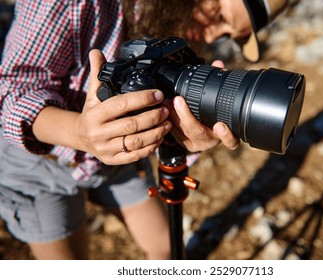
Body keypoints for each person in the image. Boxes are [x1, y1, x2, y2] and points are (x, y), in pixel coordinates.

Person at [0, 0, 287, 260]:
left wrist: (181, 137)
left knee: (164, 246)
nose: (212, 36)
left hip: (121, 154)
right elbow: (10, 90)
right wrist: (81, 132)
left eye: (226, 34)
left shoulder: (181, 16)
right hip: (39, 161)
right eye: (221, 15)